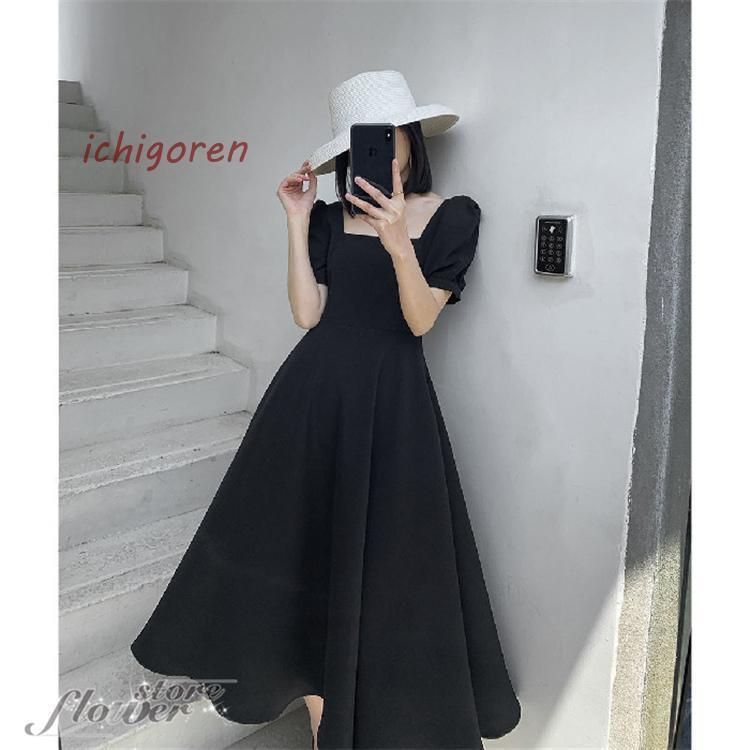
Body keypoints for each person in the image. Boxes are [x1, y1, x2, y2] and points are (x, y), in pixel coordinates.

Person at [131, 69, 521, 750]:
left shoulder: (452, 215)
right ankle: (318, 702)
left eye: (390, 136)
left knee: (391, 556)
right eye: (366, 141)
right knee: (301, 546)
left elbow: (420, 320)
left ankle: (361, 704)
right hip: (313, 397)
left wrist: (397, 240)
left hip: (394, 404)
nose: (382, 150)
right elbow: (308, 314)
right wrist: (295, 220)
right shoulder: (327, 218)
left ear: (409, 139)